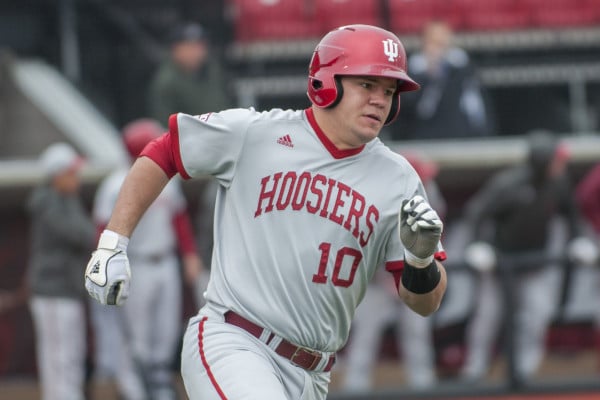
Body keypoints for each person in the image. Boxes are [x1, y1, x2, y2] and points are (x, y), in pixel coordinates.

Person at [85, 24, 448, 400]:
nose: (380, 99)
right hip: (235, 340)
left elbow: (425, 303)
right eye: (367, 85)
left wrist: (420, 261)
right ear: (327, 83)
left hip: (314, 373)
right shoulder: (255, 133)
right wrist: (112, 242)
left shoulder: (399, 179)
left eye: (389, 91)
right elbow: (164, 152)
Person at [459, 130, 591, 381]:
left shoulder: (558, 184)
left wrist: (578, 240)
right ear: (542, 160)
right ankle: (474, 370)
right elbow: (477, 212)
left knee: (536, 317)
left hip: (534, 264)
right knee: (488, 317)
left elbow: (571, 214)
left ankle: (524, 371)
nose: (561, 165)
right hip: (500, 264)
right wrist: (478, 245)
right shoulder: (509, 183)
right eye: (556, 160)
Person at [91, 118, 204, 400]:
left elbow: (178, 219)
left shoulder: (166, 180)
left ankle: (159, 387)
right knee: (136, 337)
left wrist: (189, 254)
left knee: (165, 332)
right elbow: (102, 228)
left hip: (165, 261)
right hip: (135, 265)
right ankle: (134, 391)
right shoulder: (114, 184)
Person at [341, 154, 446, 391]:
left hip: (410, 276)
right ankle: (354, 387)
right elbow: (366, 245)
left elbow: (431, 242)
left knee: (417, 332)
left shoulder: (431, 197)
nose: (427, 182)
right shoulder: (382, 200)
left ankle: (423, 386)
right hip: (376, 279)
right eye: (423, 178)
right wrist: (384, 277)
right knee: (367, 332)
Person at [28, 142, 96, 400]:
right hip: (52, 290)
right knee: (58, 357)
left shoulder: (67, 199)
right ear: (57, 174)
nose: (76, 177)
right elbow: (82, 234)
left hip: (67, 288)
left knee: (71, 355)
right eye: (71, 172)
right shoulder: (49, 202)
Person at [392, 20, 494, 141]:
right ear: (424, 42)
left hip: (459, 137)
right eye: (435, 43)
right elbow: (410, 111)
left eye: (443, 42)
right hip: (424, 139)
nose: (439, 49)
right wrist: (429, 78)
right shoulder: (412, 70)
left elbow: (475, 106)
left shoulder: (462, 69)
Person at [148, 22, 232, 123]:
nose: (196, 52)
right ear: (175, 49)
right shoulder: (167, 82)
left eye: (200, 46)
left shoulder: (213, 70)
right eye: (189, 47)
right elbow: (163, 125)